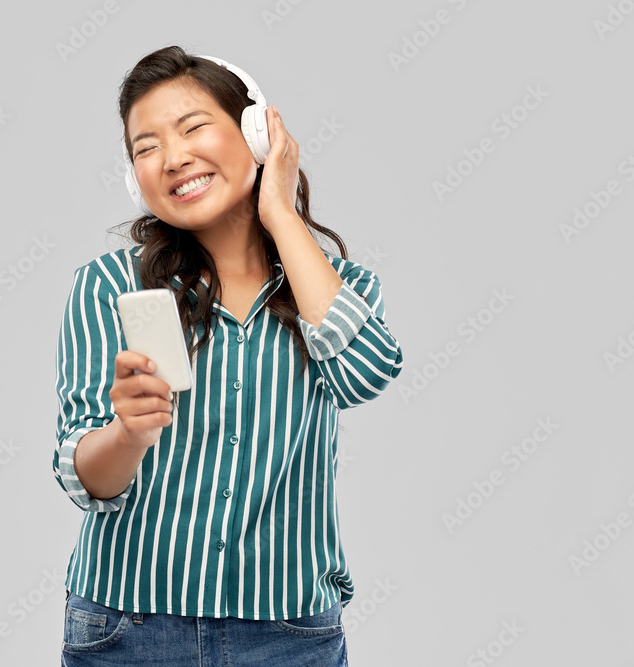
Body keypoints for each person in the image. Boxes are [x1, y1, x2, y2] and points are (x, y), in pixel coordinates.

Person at [53, 44, 403, 666]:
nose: (172, 157)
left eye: (192, 128)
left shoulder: (334, 286)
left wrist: (279, 211)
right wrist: (129, 434)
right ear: (135, 179)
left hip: (288, 633)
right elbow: (83, 476)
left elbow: (367, 374)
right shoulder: (109, 286)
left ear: (256, 134)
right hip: (130, 628)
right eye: (146, 147)